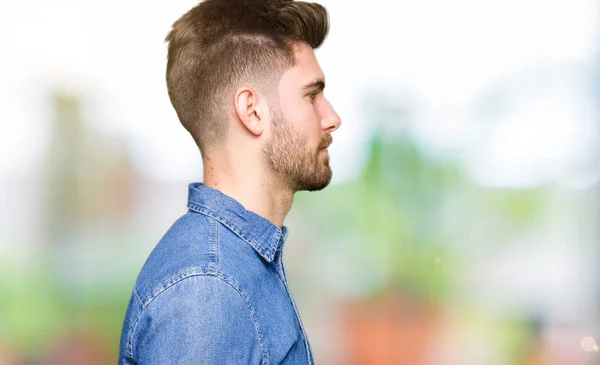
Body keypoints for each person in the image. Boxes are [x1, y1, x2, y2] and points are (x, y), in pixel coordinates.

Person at [118, 0, 342, 364]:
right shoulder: (207, 290)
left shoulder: (234, 268)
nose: (332, 117)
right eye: (311, 95)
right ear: (252, 111)